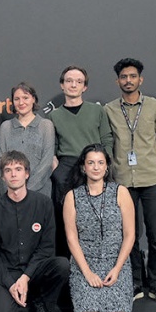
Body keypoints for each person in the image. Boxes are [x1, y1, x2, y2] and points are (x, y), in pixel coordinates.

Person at [104, 59, 156, 304]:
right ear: (117, 81)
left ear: (140, 80)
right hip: (123, 180)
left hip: (152, 178)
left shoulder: (155, 106)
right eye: (124, 77)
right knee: (129, 235)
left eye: (133, 76)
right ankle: (135, 282)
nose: (128, 80)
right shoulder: (109, 109)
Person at [0, 151, 68, 312]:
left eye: (18, 169)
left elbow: (47, 248)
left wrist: (26, 277)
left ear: (27, 173)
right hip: (8, 272)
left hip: (35, 269)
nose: (13, 174)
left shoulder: (44, 203)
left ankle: (42, 304)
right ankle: (12, 295)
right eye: (8, 170)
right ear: (2, 177)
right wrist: (11, 284)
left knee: (62, 265)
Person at [64, 144, 136, 312]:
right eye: (91, 163)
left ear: (107, 167)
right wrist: (87, 273)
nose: (96, 167)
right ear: (83, 167)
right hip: (85, 263)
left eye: (100, 163)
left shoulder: (121, 192)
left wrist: (117, 269)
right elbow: (71, 239)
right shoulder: (72, 197)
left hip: (116, 262)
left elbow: (129, 235)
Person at [48, 65, 114, 207]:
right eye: (69, 81)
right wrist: (56, 169)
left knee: (94, 210)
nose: (73, 85)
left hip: (93, 165)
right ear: (62, 85)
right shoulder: (54, 115)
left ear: (84, 87)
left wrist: (104, 163)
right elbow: (52, 146)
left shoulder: (97, 110)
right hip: (66, 167)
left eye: (79, 82)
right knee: (65, 211)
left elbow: (107, 139)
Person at [0, 82, 55, 198]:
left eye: (25, 98)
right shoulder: (6, 127)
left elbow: (47, 162)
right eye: (17, 99)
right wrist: (12, 189)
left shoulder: (45, 125)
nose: (21, 102)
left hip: (40, 192)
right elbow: (1, 161)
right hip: (11, 192)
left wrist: (25, 190)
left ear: (33, 99)